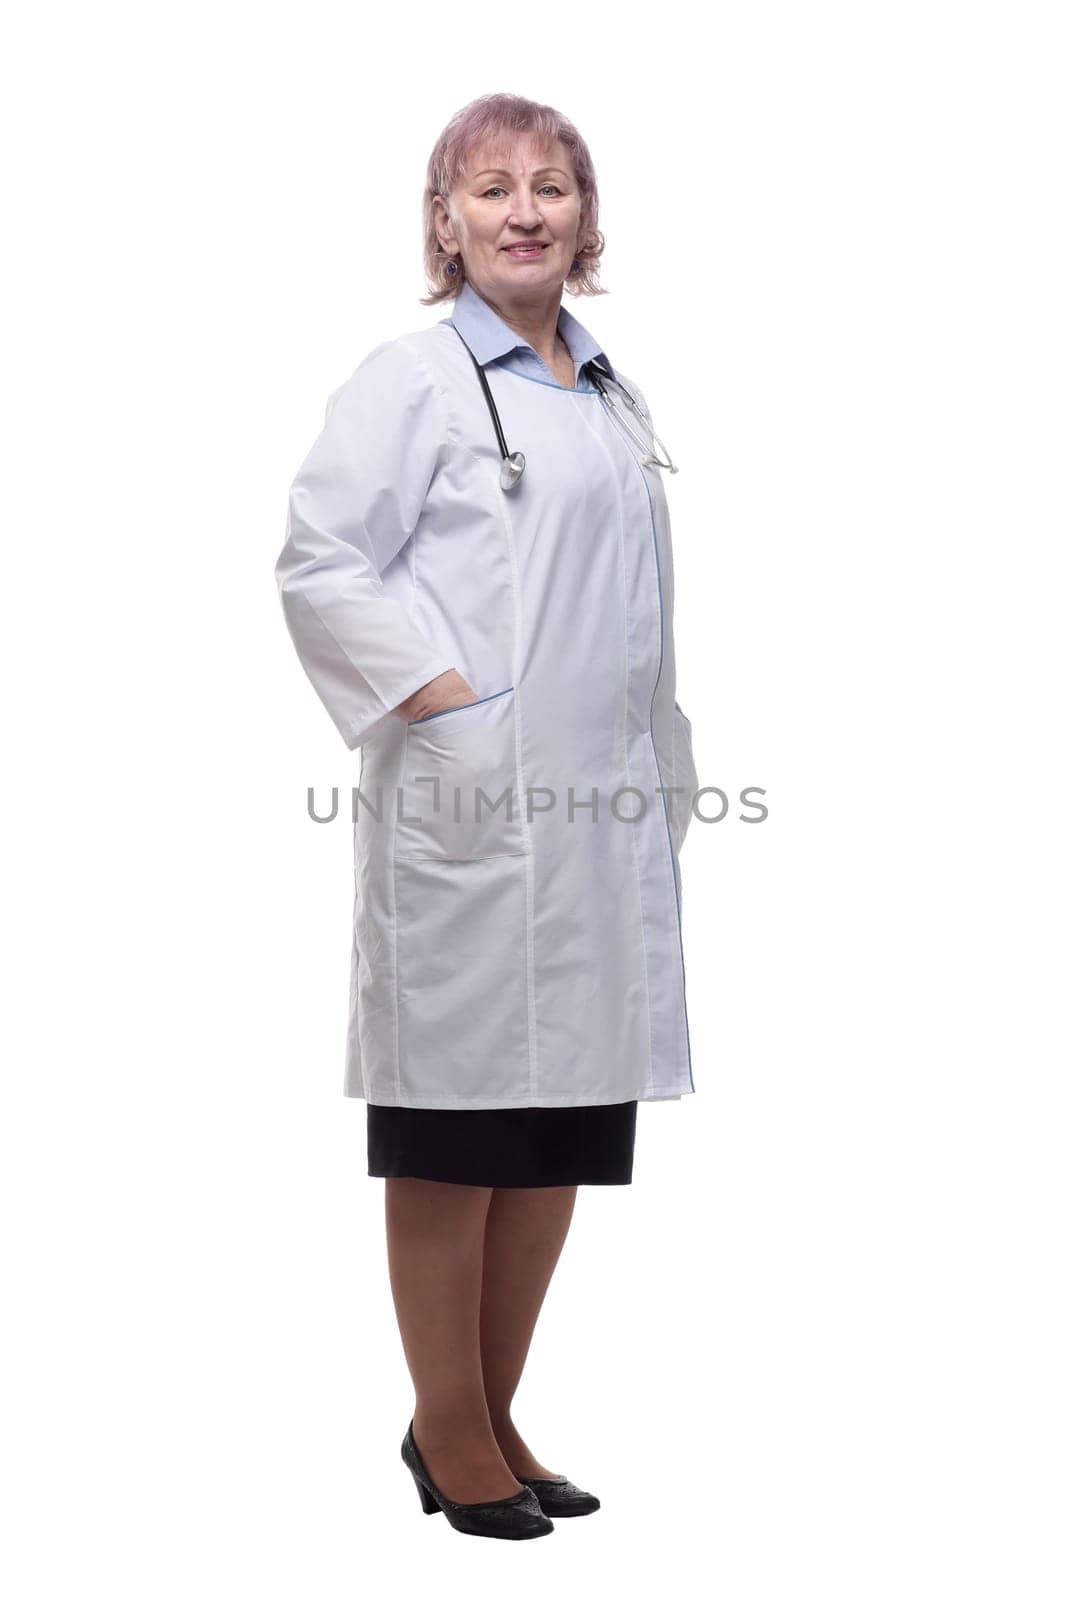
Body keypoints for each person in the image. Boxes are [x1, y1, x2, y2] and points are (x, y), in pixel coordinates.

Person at [274, 91, 700, 1540]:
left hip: (592, 816)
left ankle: (491, 1407)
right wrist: (451, 706)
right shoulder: (414, 381)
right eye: (491, 188)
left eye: (553, 186)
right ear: (444, 224)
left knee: (560, 1125)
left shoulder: (605, 391)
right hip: (469, 816)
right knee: (453, 1128)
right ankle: (447, 1427)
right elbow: (322, 564)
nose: (526, 210)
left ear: (587, 219)